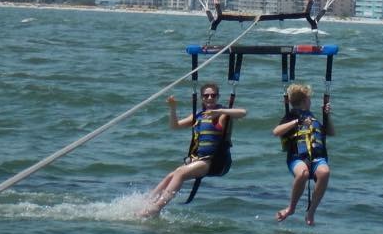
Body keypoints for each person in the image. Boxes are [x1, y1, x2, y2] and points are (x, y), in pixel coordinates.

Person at [141, 83, 246, 217]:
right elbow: (175, 126)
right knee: (171, 175)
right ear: (202, 98)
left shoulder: (223, 115)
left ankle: (157, 207)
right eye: (206, 95)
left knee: (180, 173)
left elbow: (243, 112)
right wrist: (173, 108)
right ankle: (147, 201)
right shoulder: (198, 115)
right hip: (198, 160)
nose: (209, 98)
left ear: (218, 97)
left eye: (213, 95)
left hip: (214, 162)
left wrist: (220, 111)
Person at [272, 82, 334, 225]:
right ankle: (291, 208)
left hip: (317, 158)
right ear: (306, 100)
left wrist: (327, 115)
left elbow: (329, 133)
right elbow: (276, 131)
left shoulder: (314, 118)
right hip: (297, 158)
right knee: (303, 174)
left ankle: (311, 211)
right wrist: (297, 122)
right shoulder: (291, 116)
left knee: (325, 172)